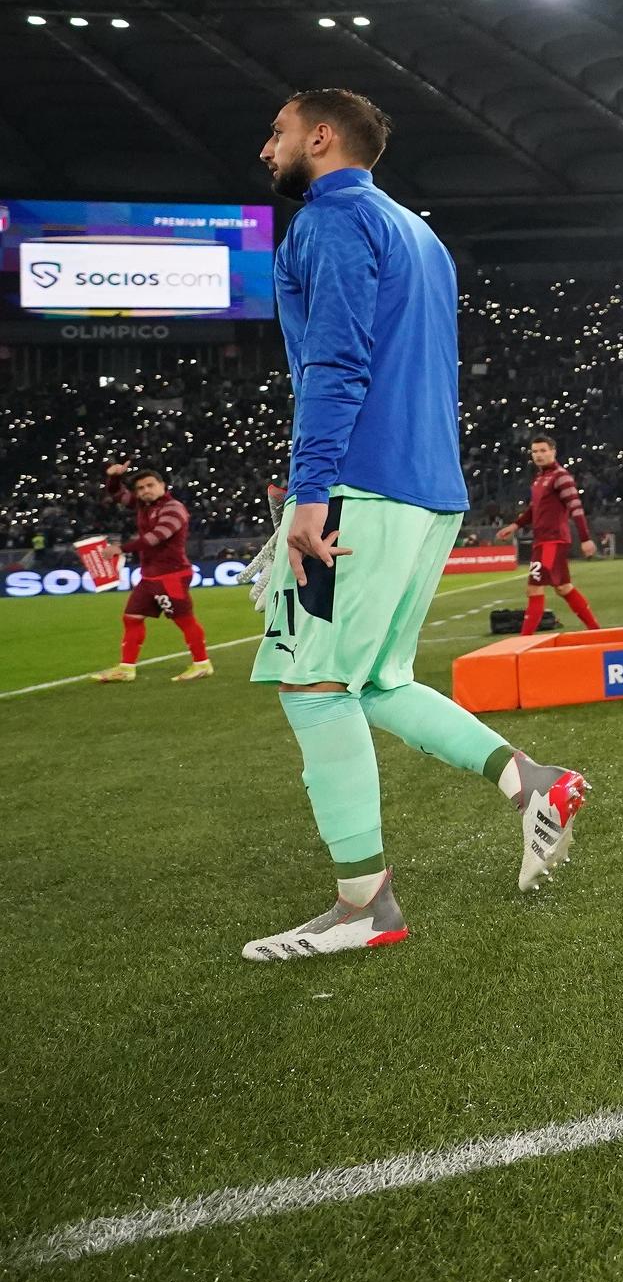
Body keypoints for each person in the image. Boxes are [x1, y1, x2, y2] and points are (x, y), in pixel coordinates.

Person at [242, 88, 587, 961]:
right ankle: (530, 781)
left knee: (315, 686)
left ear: (321, 137)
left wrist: (308, 492)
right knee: (380, 679)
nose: (265, 149)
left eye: (278, 133)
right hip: (430, 489)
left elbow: (337, 358)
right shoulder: (420, 233)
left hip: (361, 484)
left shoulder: (327, 219)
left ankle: (365, 905)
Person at [91, 460, 212, 682]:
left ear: (162, 485)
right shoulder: (143, 506)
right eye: (140, 488)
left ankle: (202, 664)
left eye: (150, 485)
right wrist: (114, 476)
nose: (145, 491)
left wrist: (121, 548)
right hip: (150, 575)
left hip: (171, 574)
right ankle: (126, 669)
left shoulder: (173, 508)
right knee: (132, 617)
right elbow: (116, 494)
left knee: (184, 620)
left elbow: (156, 537)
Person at [495, 434, 600, 634]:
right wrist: (516, 525)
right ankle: (595, 630)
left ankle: (524, 639)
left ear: (553, 451)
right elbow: (534, 510)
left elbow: (575, 507)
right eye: (535, 451)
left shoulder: (561, 476)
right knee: (563, 587)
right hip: (543, 541)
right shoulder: (540, 478)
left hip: (552, 541)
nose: (539, 455)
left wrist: (585, 538)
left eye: (543, 450)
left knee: (534, 588)